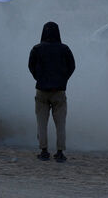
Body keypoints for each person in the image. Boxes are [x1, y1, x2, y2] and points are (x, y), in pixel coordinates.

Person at [28, 21, 76, 162]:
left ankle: (44, 151)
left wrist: (39, 78)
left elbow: (31, 66)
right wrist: (63, 80)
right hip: (59, 92)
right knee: (60, 124)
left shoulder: (37, 49)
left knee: (41, 123)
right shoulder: (64, 49)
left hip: (41, 91)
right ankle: (60, 152)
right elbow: (72, 66)